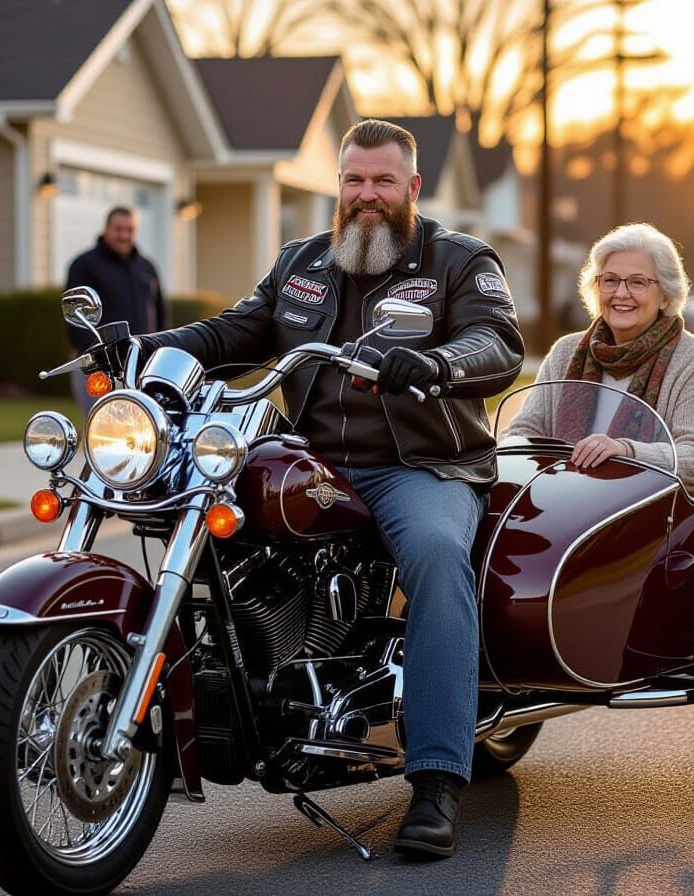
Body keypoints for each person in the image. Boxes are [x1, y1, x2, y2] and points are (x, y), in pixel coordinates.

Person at [137, 119, 524, 857]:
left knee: (441, 560)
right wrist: (150, 347)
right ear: (337, 188)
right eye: (353, 181)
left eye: (382, 181)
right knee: (206, 515)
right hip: (315, 462)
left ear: (412, 187)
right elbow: (237, 332)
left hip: (421, 465)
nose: (366, 194)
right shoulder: (304, 263)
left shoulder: (459, 261)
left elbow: (498, 341)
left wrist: (439, 364)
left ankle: (439, 778)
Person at [507, 222, 694, 497]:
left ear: (665, 296)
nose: (621, 293)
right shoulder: (566, 351)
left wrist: (625, 451)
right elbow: (523, 431)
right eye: (610, 280)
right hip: (570, 503)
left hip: (668, 517)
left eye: (638, 282)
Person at [64, 206, 168, 416]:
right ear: (106, 229)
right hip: (99, 369)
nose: (124, 235)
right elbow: (75, 317)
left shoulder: (146, 267)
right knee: (103, 433)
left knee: (143, 432)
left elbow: (160, 313)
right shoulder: (84, 265)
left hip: (142, 365)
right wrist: (97, 356)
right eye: (118, 229)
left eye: (129, 230)